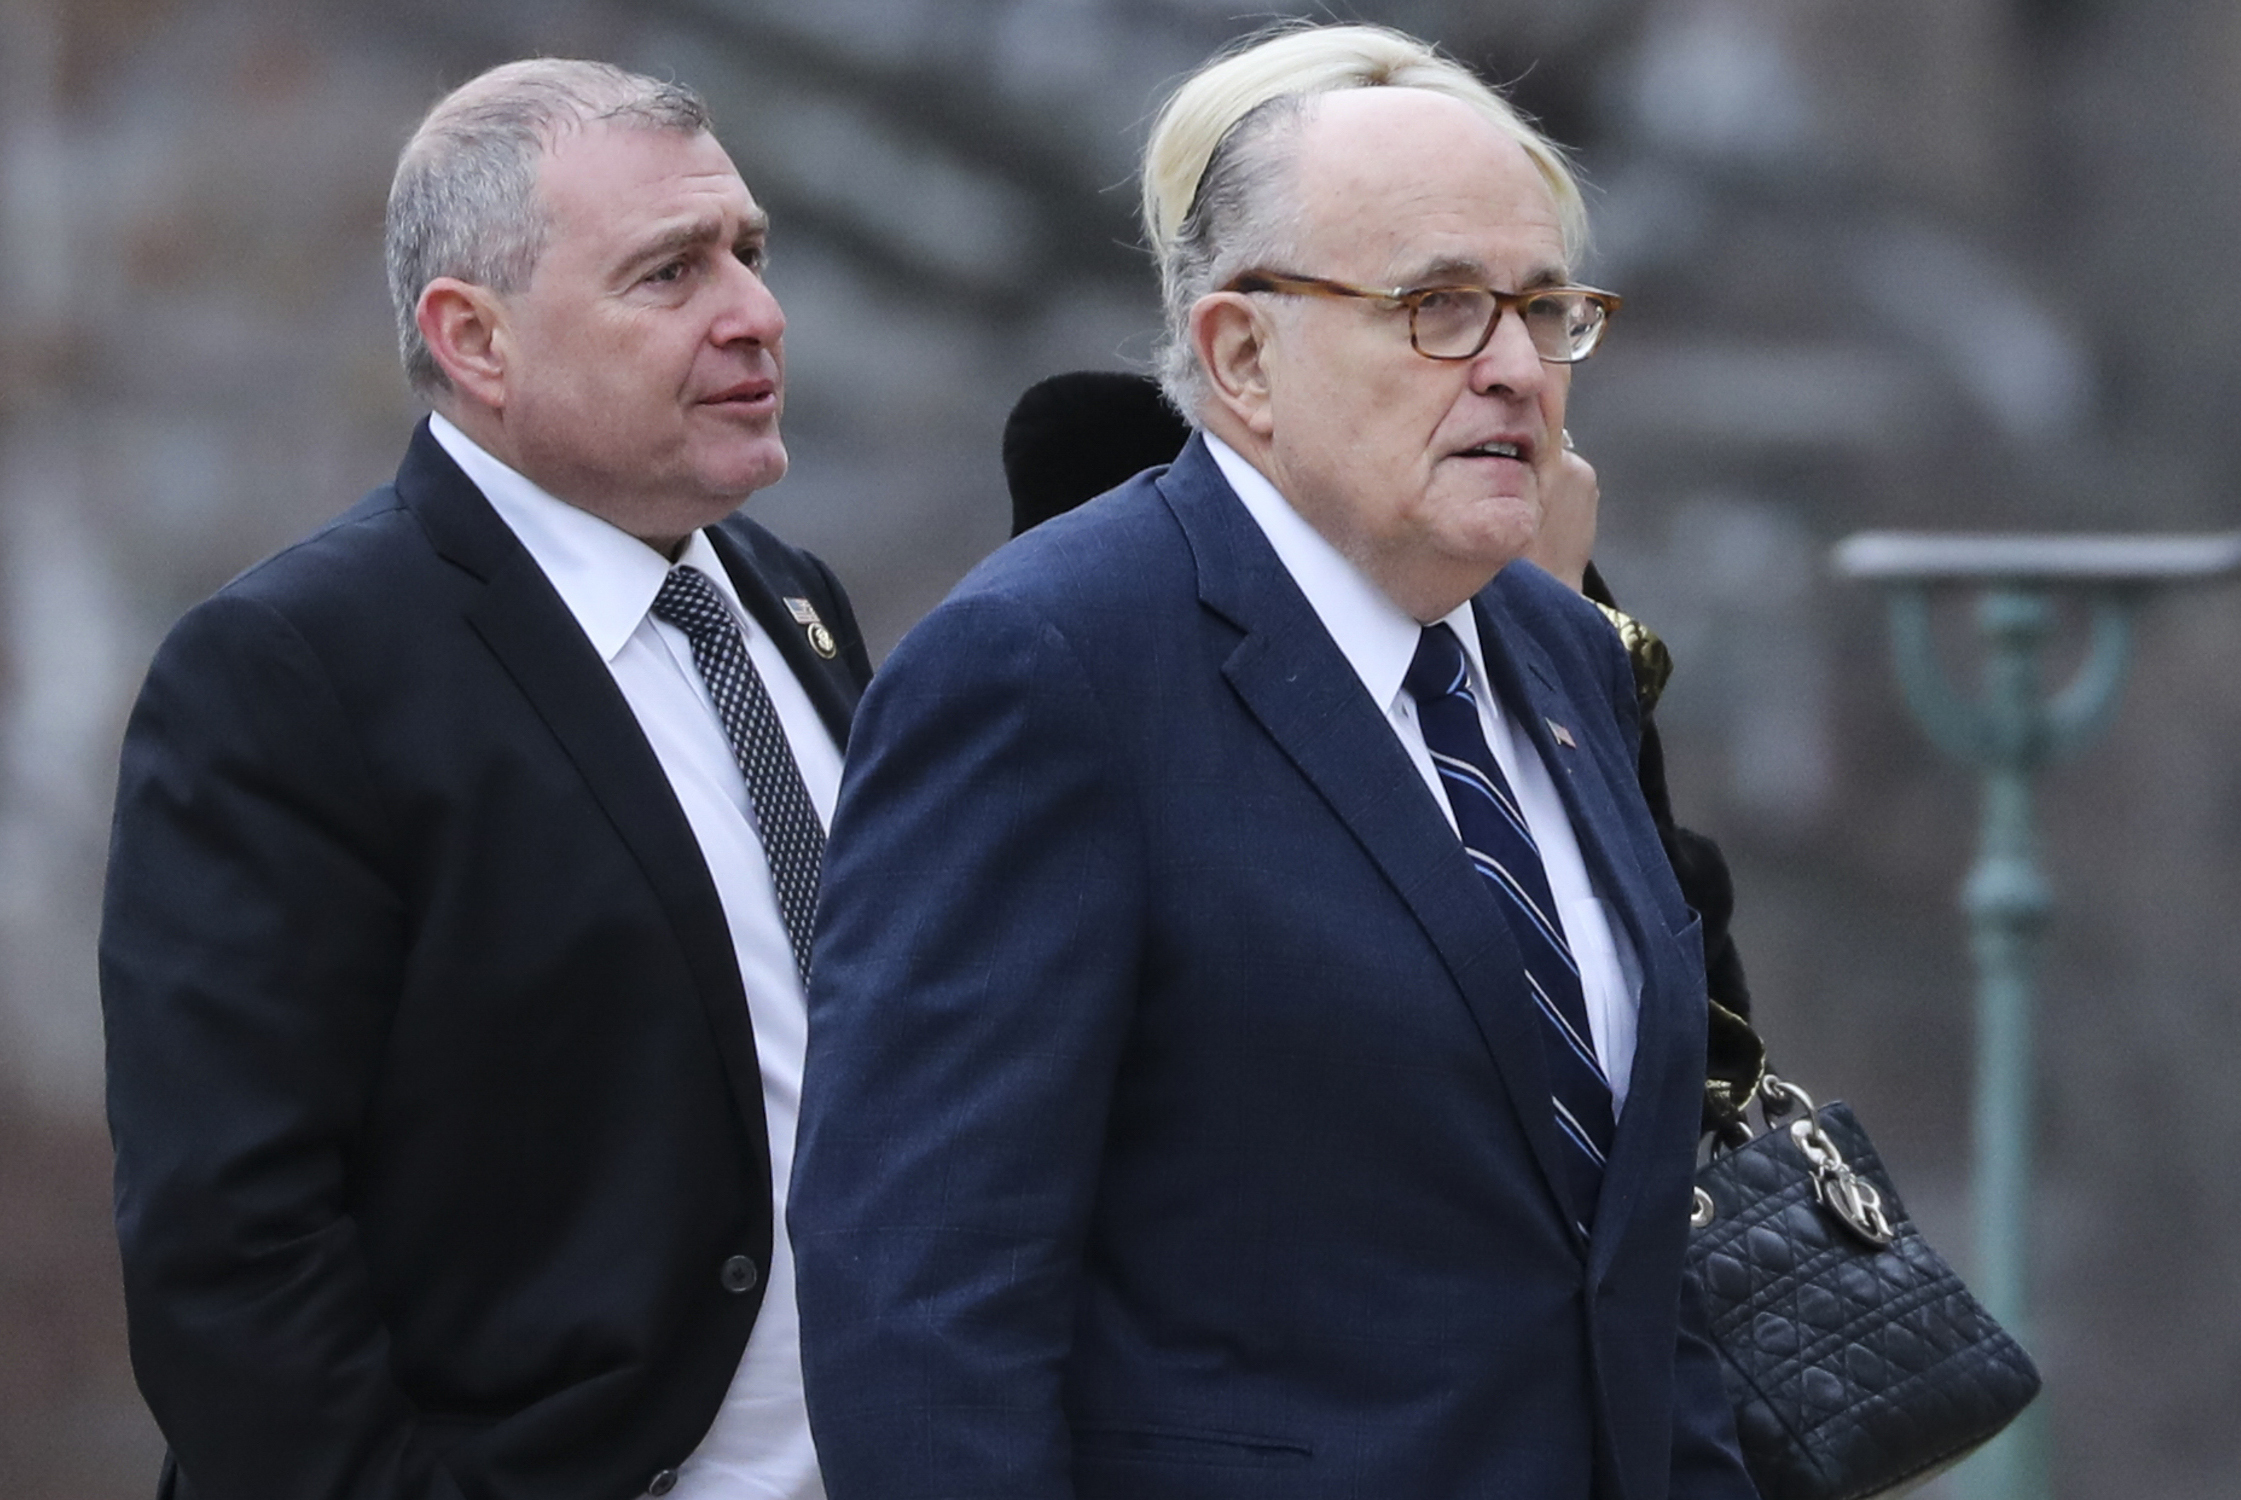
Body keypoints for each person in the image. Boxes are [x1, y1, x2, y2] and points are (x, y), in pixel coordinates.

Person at [790, 22, 1758, 1500]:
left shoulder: (1561, 657)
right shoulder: (1046, 667)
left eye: (1543, 307)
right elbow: (920, 1299)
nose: (1512, 367)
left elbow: (1628, 1254)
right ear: (1241, 353)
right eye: (1437, 307)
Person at [99, 60, 868, 1500]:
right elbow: (232, 1252)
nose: (753, 313)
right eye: (669, 272)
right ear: (476, 339)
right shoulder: (288, 672)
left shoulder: (790, 601)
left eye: (750, 254)